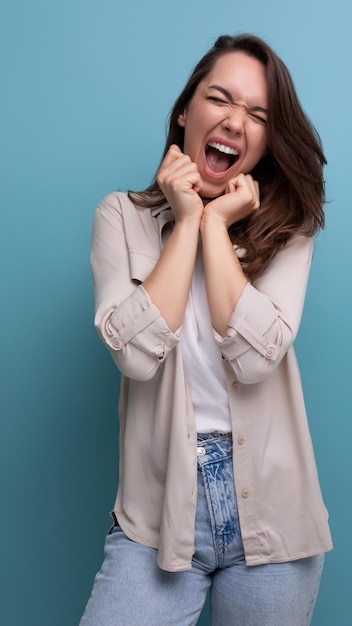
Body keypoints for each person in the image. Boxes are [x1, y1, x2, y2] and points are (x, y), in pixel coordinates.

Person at [80, 34, 332, 626]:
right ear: (185, 111)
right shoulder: (122, 217)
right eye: (220, 98)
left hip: (274, 514)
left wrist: (217, 226)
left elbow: (253, 359)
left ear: (268, 141)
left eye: (258, 114)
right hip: (157, 510)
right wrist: (188, 218)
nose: (235, 121)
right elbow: (136, 356)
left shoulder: (291, 229)